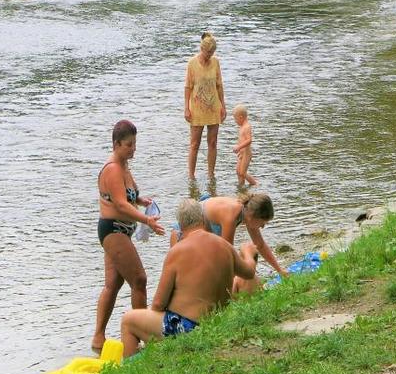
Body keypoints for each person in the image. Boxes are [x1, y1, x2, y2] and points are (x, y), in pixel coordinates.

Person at [121, 199, 256, 356]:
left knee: (128, 320)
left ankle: (132, 368)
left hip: (188, 328)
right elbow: (249, 273)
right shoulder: (225, 245)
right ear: (203, 219)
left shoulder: (177, 251)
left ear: (181, 225)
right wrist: (248, 252)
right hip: (217, 322)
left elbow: (158, 304)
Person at [92, 119, 164, 354]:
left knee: (113, 284)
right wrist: (147, 221)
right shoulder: (113, 168)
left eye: (134, 144)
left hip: (121, 230)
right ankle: (141, 336)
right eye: (128, 145)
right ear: (116, 144)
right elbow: (121, 205)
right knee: (139, 280)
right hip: (113, 229)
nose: (133, 149)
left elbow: (126, 198)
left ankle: (98, 340)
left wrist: (142, 202)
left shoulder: (124, 165)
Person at [169, 192, 287, 278]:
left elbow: (260, 245)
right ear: (253, 216)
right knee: (182, 275)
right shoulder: (231, 215)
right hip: (183, 233)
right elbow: (227, 254)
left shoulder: (245, 212)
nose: (262, 227)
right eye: (262, 223)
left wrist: (280, 270)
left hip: (201, 234)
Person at [185, 32, 226, 180]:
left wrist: (223, 106)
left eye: (212, 52)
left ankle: (210, 173)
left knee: (213, 142)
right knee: (195, 144)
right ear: (202, 49)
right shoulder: (192, 63)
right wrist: (186, 108)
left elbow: (219, 85)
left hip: (213, 106)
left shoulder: (215, 62)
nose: (210, 55)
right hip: (196, 108)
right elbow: (188, 87)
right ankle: (191, 175)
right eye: (208, 52)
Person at [232, 104, 257, 187]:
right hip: (242, 153)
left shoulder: (247, 127)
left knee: (242, 172)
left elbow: (249, 140)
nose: (235, 121)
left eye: (235, 119)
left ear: (241, 117)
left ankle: (254, 184)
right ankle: (241, 187)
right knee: (238, 171)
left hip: (246, 154)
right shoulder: (242, 126)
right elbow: (242, 140)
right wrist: (239, 149)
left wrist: (239, 147)